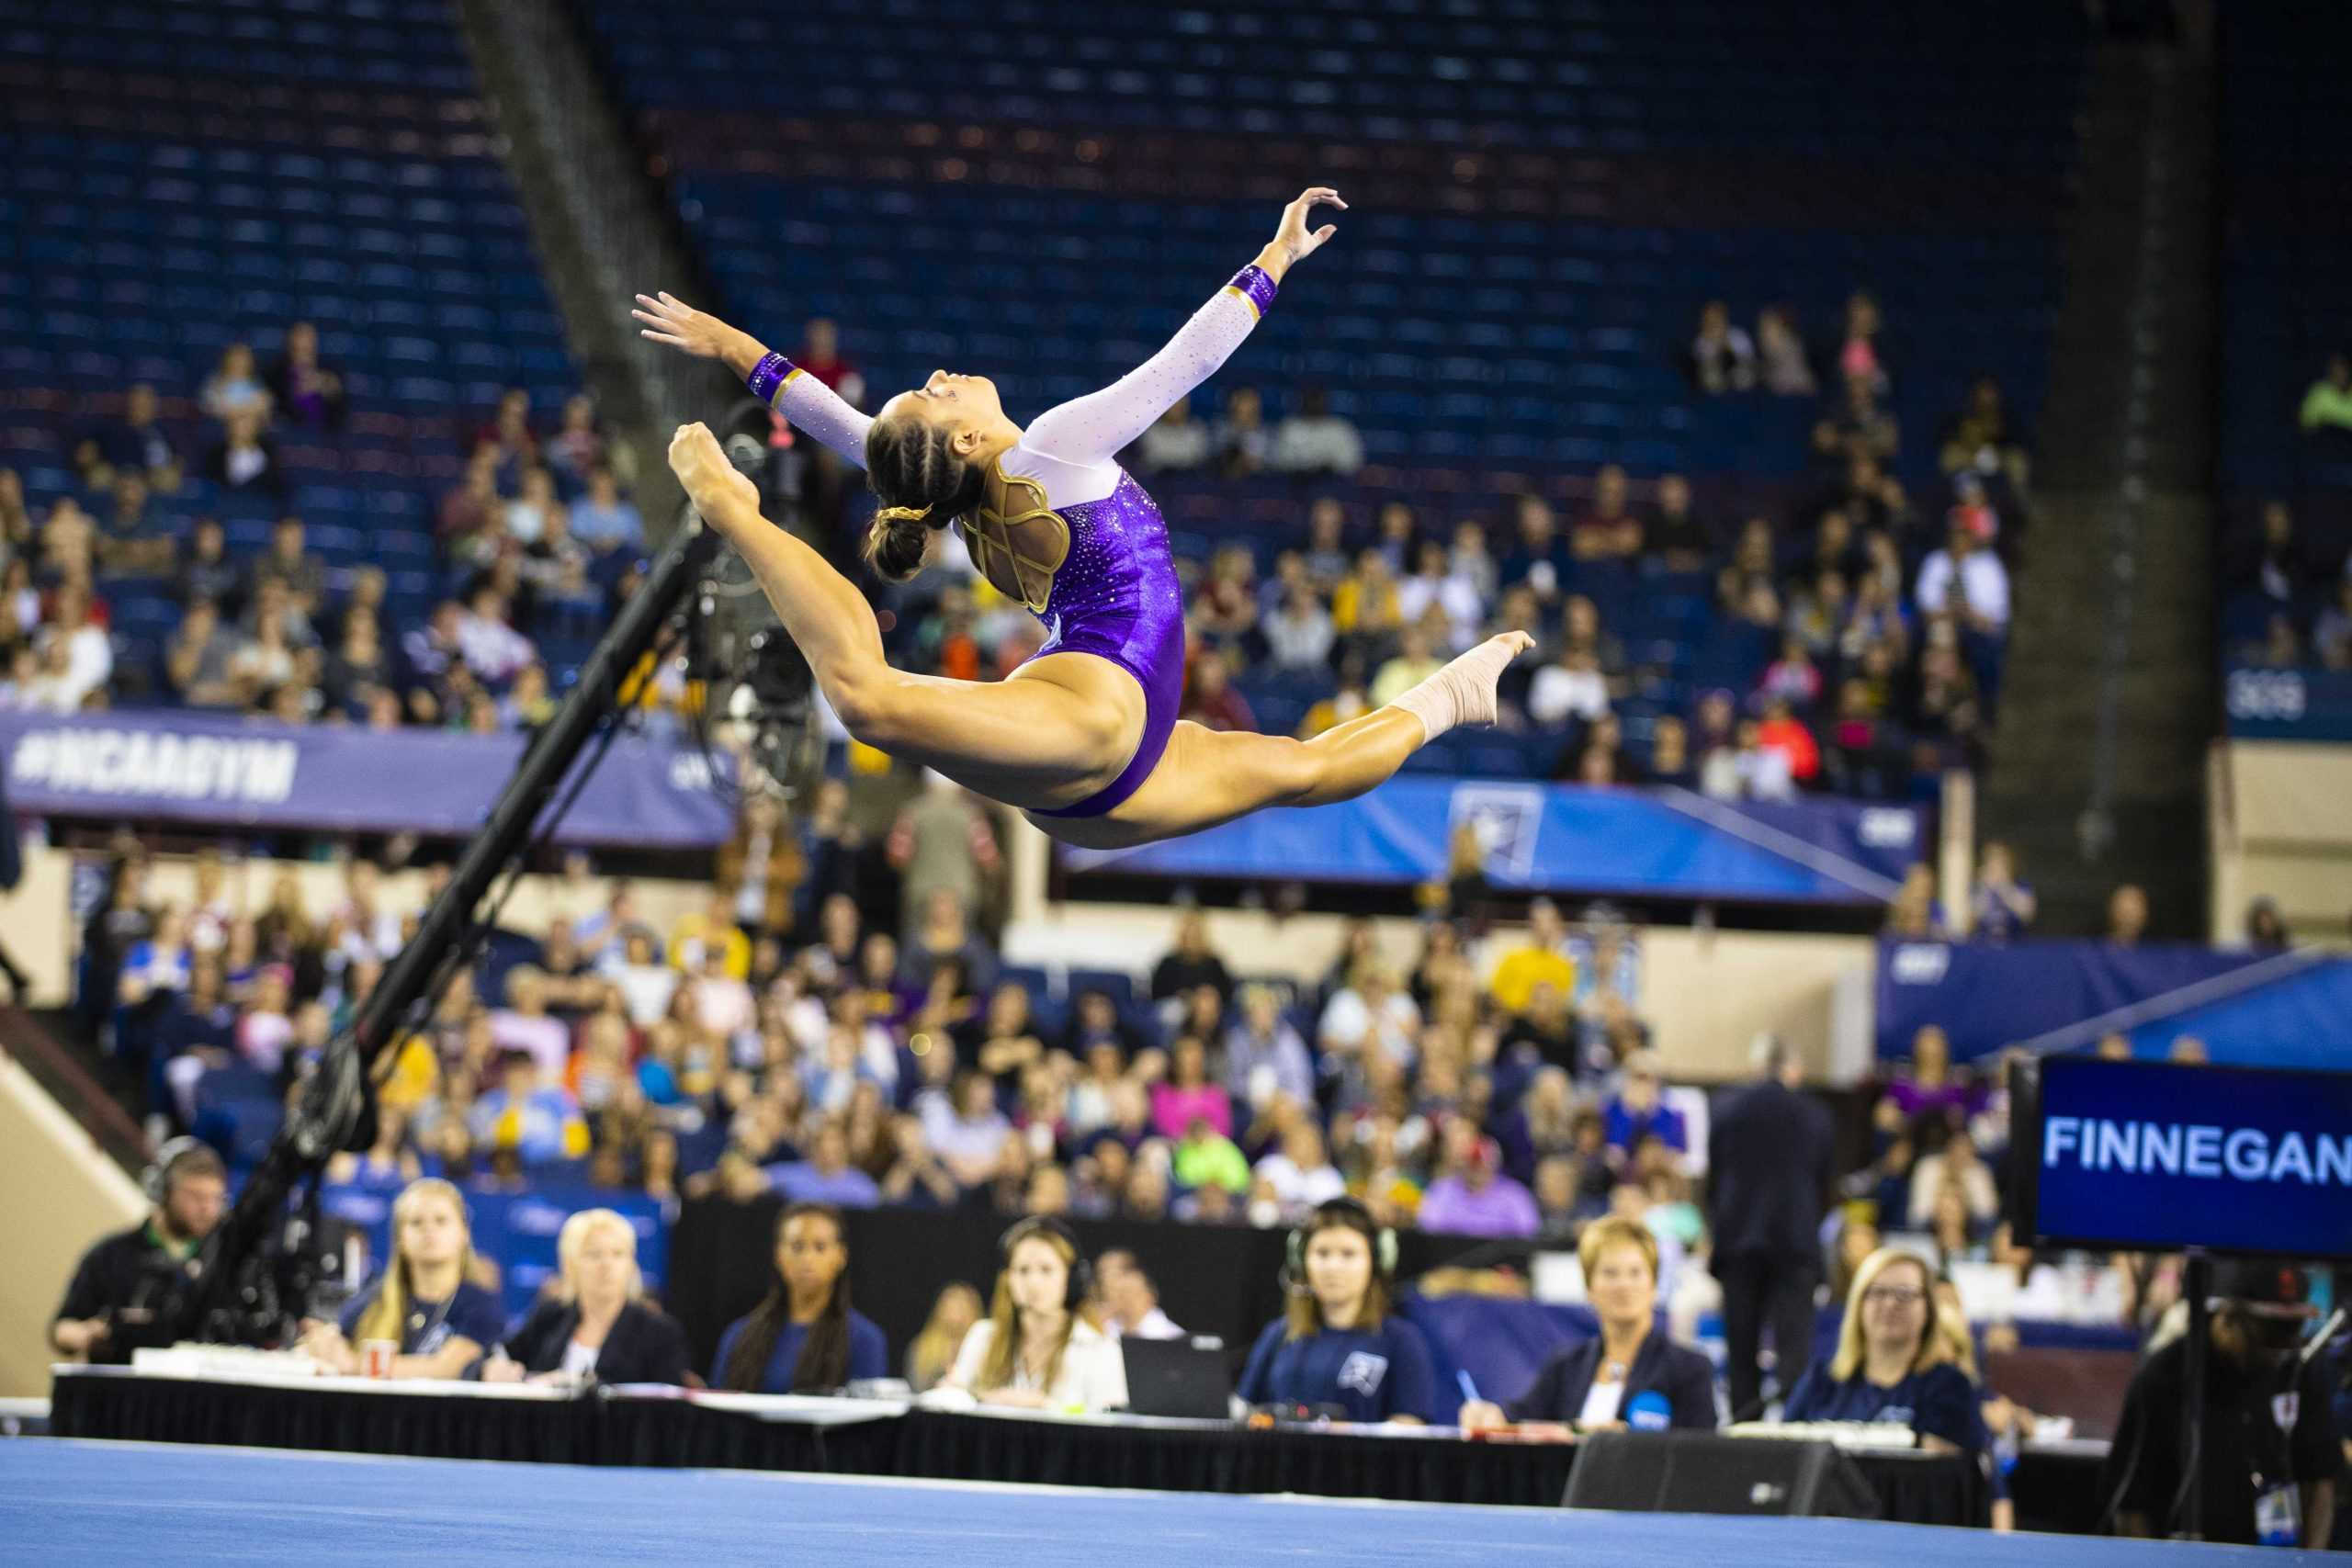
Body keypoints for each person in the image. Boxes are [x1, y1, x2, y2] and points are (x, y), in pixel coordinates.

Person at [634, 186, 1532, 852]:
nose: (942, 375)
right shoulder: (1050, 451)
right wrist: (1274, 259)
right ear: (960, 442)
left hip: (1100, 783)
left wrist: (736, 350)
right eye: (934, 395)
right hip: (1091, 725)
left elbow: (836, 421)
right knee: (869, 700)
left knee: (1308, 771)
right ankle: (732, 512)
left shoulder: (955, 488)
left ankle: (1453, 693)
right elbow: (1180, 366)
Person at [2101, 1259, 2338, 1547]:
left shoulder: (2299, 1369)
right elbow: (2130, 1508)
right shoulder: (2165, 1378)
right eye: (2269, 1333)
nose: (2279, 1349)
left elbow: (2321, 1482)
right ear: (2225, 1317)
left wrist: (2310, 1562)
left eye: (2293, 1329)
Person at [1458, 1216, 1715, 1433]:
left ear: (1653, 1285)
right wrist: (1490, 1415)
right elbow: (1520, 1416)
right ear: (1589, 1288)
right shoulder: (1566, 1365)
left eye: (1635, 1272)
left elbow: (1700, 1456)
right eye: (1610, 1273)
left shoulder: (1689, 1369)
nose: (1623, 1284)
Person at [1707, 1036, 1834, 1420]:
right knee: (1794, 1348)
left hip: (1738, 1243)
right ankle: (1793, 1431)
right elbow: (1823, 1183)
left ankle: (1743, 1432)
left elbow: (1715, 1181)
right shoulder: (1815, 1115)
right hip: (1795, 1243)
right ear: (1792, 1069)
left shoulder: (1726, 1110)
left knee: (1741, 1350)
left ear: (1756, 1068)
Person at [1236, 1197, 1437, 1424]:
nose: (1333, 1267)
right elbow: (1244, 1412)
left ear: (1376, 1262)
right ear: (1302, 1261)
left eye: (1348, 1254)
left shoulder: (1401, 1340)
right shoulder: (1279, 1334)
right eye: (1322, 1253)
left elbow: (1409, 1425)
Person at [1782, 1247, 1985, 1459]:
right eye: (1878, 1292)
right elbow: (1784, 1454)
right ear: (1858, 1304)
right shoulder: (1822, 1379)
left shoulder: (1949, 1386)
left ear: (1928, 1309)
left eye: (1905, 1294)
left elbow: (1966, 1475)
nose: (1890, 1304)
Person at [299, 1179, 504, 1380]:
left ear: (464, 1233)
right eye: (416, 1222)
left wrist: (354, 1364)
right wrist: (323, 1342)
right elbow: (335, 1340)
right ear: (401, 1239)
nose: (429, 1229)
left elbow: (447, 1369)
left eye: (441, 1220)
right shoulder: (376, 1297)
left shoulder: (480, 1304)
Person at [50, 1139, 227, 1364]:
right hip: (119, 1391)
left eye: (216, 1198)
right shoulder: (110, 1254)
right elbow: (61, 1329)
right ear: (161, 1191)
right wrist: (88, 1335)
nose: (208, 1209)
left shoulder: (224, 1263)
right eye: (196, 1196)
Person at [480, 1209, 688, 1385]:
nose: (606, 1264)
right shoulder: (550, 1317)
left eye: (618, 1254)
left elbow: (669, 1413)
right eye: (594, 1254)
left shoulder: (659, 1332)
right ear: (571, 1264)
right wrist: (494, 1368)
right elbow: (498, 1354)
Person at [941, 1216, 1126, 1414]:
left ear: (1071, 1279)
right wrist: (957, 1394)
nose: (1033, 1282)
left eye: (1046, 1270)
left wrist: (1044, 1407)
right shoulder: (984, 1336)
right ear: (1008, 1279)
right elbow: (956, 1403)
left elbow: (1109, 1423)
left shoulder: (1099, 1349)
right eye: (1023, 1270)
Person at [714, 1204, 889, 1393]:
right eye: (797, 1247)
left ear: (841, 1256)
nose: (807, 1259)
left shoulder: (864, 1339)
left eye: (820, 1247)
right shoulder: (739, 1335)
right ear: (778, 1255)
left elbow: (868, 1417)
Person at [906, 1281, 983, 1393]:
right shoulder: (922, 1347)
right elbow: (916, 1385)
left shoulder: (981, 1345)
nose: (955, 1314)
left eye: (961, 1308)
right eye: (950, 1307)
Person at [1094, 1248, 1184, 1341]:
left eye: (1111, 1276)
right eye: (1100, 1279)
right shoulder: (1105, 1328)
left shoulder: (1169, 1337)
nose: (1103, 1288)